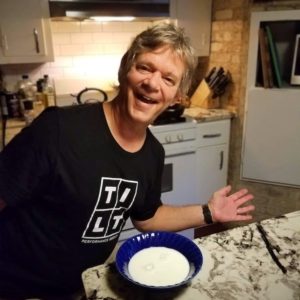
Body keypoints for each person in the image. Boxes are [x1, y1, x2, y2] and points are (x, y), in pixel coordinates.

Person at [0, 23, 254, 299]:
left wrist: (209, 212)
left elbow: (148, 217)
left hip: (79, 287)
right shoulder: (59, 129)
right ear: (125, 70)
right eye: (145, 67)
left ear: (176, 97)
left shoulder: (152, 154)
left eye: (169, 79)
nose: (152, 83)